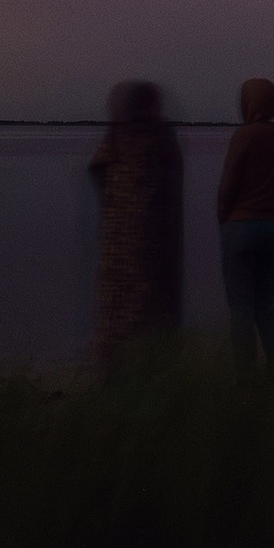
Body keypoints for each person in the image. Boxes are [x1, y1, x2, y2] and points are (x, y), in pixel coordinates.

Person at [87, 79, 182, 371]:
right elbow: (173, 181)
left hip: (120, 238)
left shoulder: (118, 135)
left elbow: (97, 171)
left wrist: (116, 200)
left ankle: (113, 372)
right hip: (153, 234)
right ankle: (150, 370)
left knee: (118, 309)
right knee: (151, 305)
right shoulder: (162, 135)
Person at [215, 75, 274, 371]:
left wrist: (223, 216)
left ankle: (245, 377)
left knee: (240, 308)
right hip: (270, 226)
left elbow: (229, 184)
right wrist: (270, 208)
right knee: (267, 306)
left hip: (239, 226)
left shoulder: (244, 136)